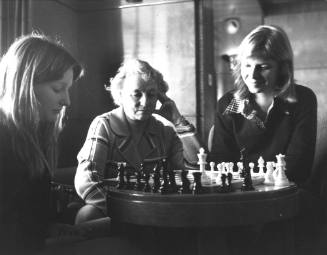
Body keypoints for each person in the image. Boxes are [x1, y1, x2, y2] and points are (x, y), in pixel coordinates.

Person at [0, 33, 84, 254]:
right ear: (25, 85)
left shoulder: (33, 135)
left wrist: (47, 228)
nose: (67, 101)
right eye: (58, 89)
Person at [74, 58, 185, 223]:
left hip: (157, 211)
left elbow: (194, 171)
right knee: (88, 214)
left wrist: (177, 120)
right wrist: (129, 212)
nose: (145, 102)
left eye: (152, 94)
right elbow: (86, 179)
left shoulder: (165, 131)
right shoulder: (104, 125)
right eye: (137, 94)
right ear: (120, 94)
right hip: (114, 211)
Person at [210, 25, 317, 188]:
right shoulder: (227, 103)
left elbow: (299, 168)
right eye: (247, 65)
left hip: (286, 193)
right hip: (241, 194)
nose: (252, 76)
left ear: (282, 68)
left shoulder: (303, 99)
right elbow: (220, 162)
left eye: (264, 67)